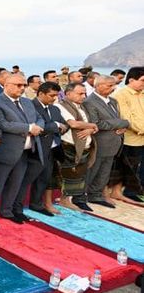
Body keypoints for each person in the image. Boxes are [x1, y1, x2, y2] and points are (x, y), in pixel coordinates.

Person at [0, 74, 44, 225]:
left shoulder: (27, 102)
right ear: (7, 85)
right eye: (18, 85)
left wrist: (38, 126)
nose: (22, 88)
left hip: (25, 151)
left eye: (23, 85)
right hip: (5, 152)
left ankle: (7, 211)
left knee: (16, 183)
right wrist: (29, 128)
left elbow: (39, 117)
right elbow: (3, 124)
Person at [82, 75, 129, 208]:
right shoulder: (89, 102)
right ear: (98, 85)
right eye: (109, 85)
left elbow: (112, 121)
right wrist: (122, 123)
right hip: (99, 143)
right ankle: (82, 196)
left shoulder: (113, 101)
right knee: (93, 170)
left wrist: (122, 126)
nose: (113, 88)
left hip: (113, 143)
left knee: (105, 172)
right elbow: (96, 123)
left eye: (113, 85)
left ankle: (96, 195)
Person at [21, 82, 67, 216]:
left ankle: (36, 204)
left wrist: (58, 126)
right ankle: (16, 206)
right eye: (51, 95)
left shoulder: (54, 109)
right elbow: (35, 127)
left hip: (52, 149)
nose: (54, 98)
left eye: (56, 95)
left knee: (44, 178)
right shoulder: (30, 106)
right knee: (28, 179)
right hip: (36, 149)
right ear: (41, 93)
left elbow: (64, 125)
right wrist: (55, 125)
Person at [54, 83, 98, 211]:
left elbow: (91, 125)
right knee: (68, 175)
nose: (83, 96)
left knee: (78, 175)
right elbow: (73, 124)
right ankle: (64, 200)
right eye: (80, 93)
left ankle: (71, 199)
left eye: (84, 93)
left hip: (85, 145)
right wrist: (93, 126)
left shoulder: (82, 107)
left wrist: (91, 129)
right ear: (68, 94)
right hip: (69, 146)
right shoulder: (60, 106)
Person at [115, 67, 144, 203]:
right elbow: (127, 119)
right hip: (130, 138)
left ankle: (139, 189)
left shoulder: (142, 93)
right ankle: (130, 192)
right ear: (131, 80)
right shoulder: (120, 95)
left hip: (141, 137)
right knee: (131, 167)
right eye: (142, 80)